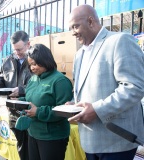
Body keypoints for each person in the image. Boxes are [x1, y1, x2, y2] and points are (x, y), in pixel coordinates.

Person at [67, 4, 144, 160]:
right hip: (90, 140)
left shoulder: (120, 41)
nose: (73, 32)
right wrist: (73, 106)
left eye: (76, 26)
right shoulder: (79, 55)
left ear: (90, 21)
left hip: (117, 139)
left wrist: (96, 109)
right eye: (71, 28)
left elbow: (134, 87)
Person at [18, 44, 73, 160]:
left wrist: (38, 112)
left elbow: (64, 111)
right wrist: (19, 102)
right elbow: (30, 100)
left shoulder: (60, 81)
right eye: (30, 65)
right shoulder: (33, 79)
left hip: (52, 136)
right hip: (33, 132)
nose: (32, 68)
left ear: (45, 60)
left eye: (35, 64)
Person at [0, 30, 32, 160]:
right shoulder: (8, 60)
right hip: (13, 109)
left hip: (30, 109)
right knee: (20, 144)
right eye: (15, 50)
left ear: (28, 44)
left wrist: (21, 90)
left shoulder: (35, 60)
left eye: (20, 49)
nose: (17, 53)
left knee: (32, 145)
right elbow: (0, 77)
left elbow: (41, 83)